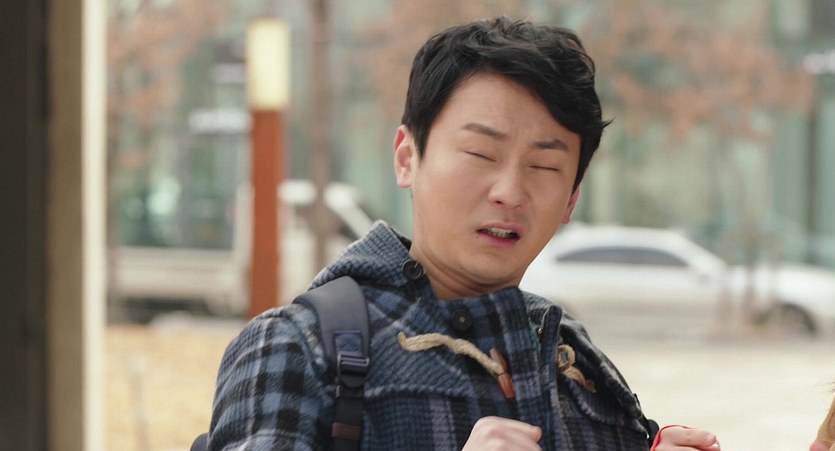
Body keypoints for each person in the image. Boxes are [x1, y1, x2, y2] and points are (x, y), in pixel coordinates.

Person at [206, 16, 721, 450]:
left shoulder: (573, 360)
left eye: (544, 166)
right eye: (480, 154)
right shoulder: (300, 347)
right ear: (407, 157)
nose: (510, 191)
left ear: (571, 198)